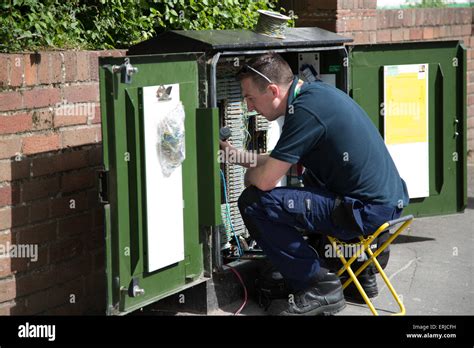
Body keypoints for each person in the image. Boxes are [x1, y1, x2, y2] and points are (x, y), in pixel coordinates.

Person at [219, 52, 409, 315]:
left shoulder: (304, 111)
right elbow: (276, 159)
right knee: (310, 178)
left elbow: (264, 181)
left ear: (273, 90)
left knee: (254, 202)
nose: (250, 107)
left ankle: (318, 284)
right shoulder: (314, 96)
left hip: (364, 212)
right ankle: (358, 273)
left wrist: (248, 177)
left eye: (251, 98)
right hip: (383, 204)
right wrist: (235, 155)